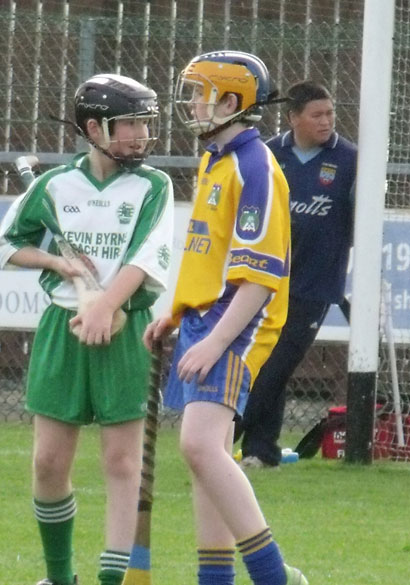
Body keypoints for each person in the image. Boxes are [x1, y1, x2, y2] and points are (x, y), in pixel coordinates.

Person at [0, 73, 174, 585]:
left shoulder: (152, 185)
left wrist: (106, 305)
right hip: (62, 326)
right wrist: (62, 265)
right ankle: (59, 576)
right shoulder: (53, 186)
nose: (142, 135)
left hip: (127, 328)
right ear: (94, 128)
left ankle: (111, 580)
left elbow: (147, 258)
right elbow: (9, 245)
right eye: (130, 124)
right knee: (49, 463)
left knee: (121, 462)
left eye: (146, 123)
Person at [144, 51, 307, 585]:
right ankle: (216, 580)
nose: (191, 103)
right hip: (205, 319)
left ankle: (273, 576)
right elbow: (210, 255)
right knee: (205, 456)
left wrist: (216, 341)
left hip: (238, 324)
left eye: (199, 93)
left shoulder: (253, 165)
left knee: (198, 446)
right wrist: (176, 310)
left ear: (231, 102)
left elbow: (260, 276)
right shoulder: (215, 157)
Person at [235, 80, 357, 468]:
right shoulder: (269, 155)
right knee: (266, 363)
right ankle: (261, 450)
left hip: (316, 284)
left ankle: (228, 433)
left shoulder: (349, 160)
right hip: (267, 279)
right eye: (317, 115)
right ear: (293, 118)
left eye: (330, 113)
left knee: (277, 366)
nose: (326, 122)